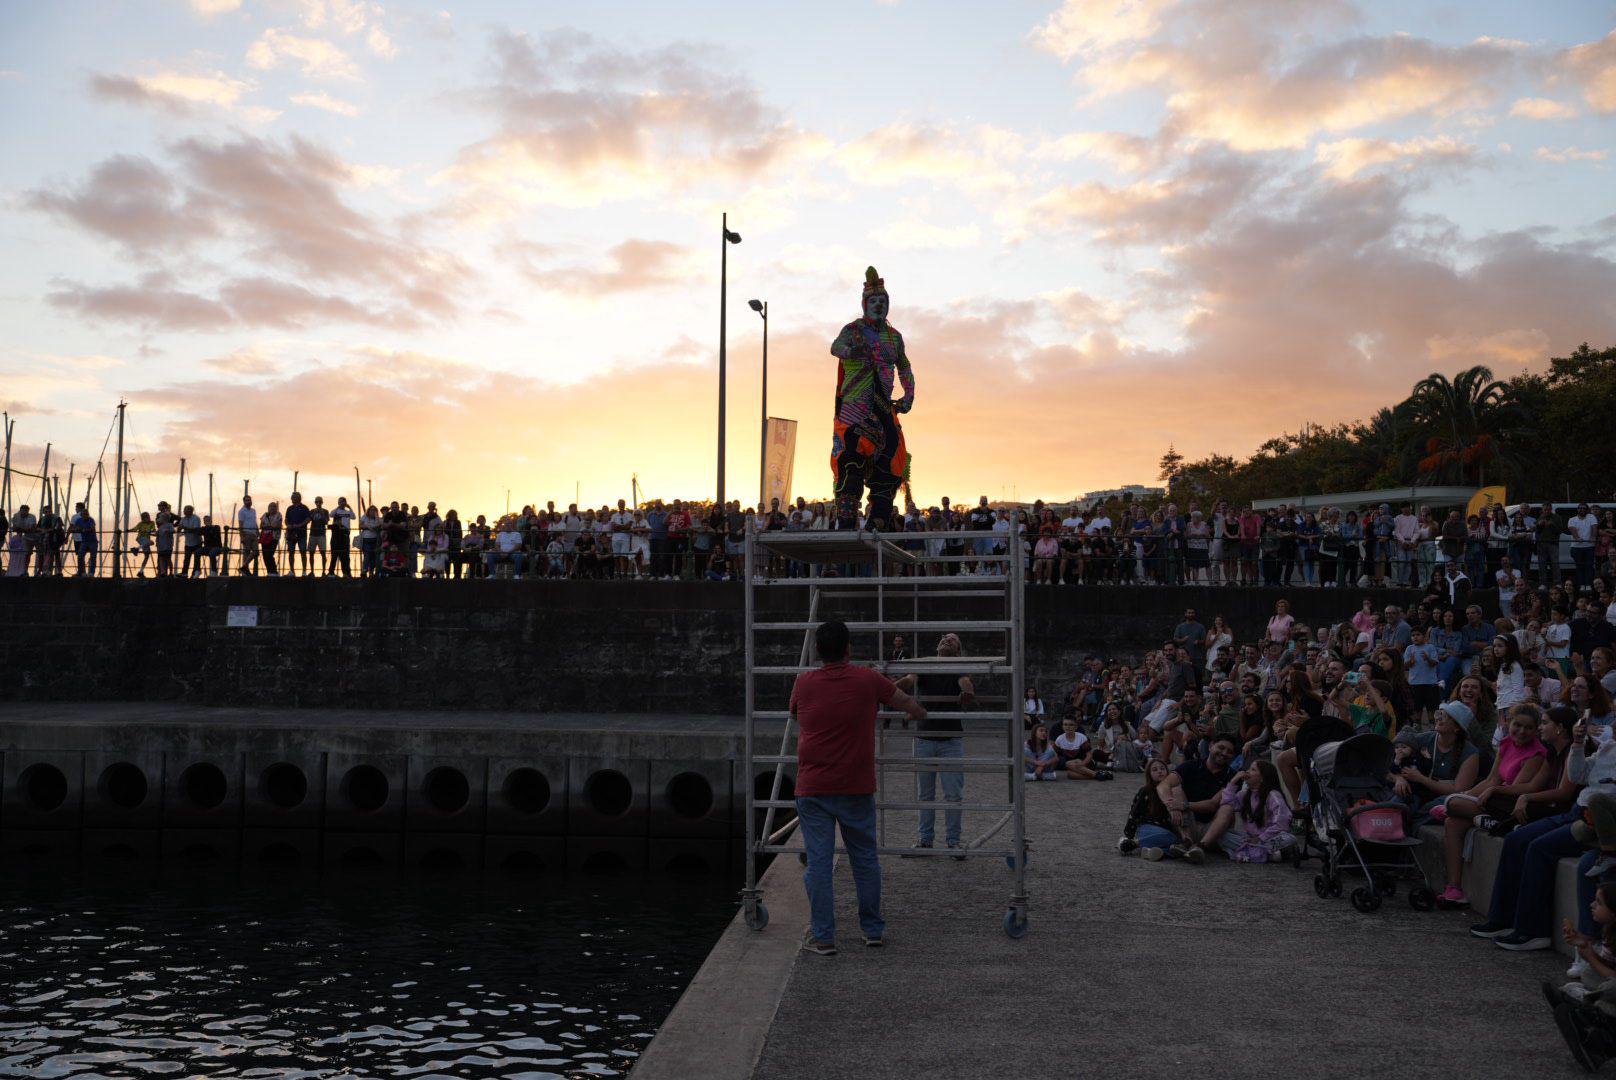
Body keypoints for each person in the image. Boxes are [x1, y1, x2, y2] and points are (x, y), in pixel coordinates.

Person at [791, 619, 925, 954]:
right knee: (864, 859)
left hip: (813, 786)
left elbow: (795, 714)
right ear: (849, 649)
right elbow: (905, 702)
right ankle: (872, 930)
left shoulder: (804, 682)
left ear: (818, 651)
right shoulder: (868, 679)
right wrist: (920, 713)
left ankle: (823, 937)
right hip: (855, 784)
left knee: (819, 863)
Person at [1472, 708, 1616, 955]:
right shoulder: (1604, 748)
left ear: (1559, 727)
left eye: (1544, 723)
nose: (1539, 728)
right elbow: (1578, 773)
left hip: (1591, 821)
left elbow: (1564, 792)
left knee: (1538, 847)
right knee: (1517, 839)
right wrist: (1579, 744)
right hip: (1575, 812)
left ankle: (1533, 931)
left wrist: (1525, 796)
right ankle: (1502, 919)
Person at [1434, 704, 1550, 908]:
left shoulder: (1537, 754)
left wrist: (1489, 792)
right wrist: (1466, 795)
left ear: (1536, 730)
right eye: (1518, 725)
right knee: (1452, 821)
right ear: (1509, 723)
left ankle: (1480, 817)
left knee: (1452, 805)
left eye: (1529, 728)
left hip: (1512, 805)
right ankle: (1454, 888)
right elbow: (1491, 780)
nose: (1522, 732)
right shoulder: (1506, 743)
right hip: (1495, 799)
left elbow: (1518, 789)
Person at [829, 266, 914, 528]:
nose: (879, 305)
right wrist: (855, 351)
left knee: (889, 466)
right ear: (865, 304)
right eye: (874, 301)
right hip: (855, 408)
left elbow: (905, 366)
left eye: (883, 301)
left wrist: (909, 394)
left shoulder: (894, 337)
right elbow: (835, 348)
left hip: (883, 408)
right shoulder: (853, 329)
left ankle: (878, 522)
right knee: (850, 466)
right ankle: (845, 524)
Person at [895, 633, 972, 857]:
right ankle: (925, 841)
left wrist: (967, 691)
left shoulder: (957, 666)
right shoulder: (926, 664)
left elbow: (964, 681)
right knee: (925, 794)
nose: (946, 639)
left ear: (958, 651)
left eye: (953, 639)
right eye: (944, 637)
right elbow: (909, 680)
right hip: (925, 738)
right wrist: (889, 688)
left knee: (953, 794)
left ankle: (953, 842)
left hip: (950, 739)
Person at [1157, 733, 1239, 863]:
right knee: (1175, 789)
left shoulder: (1233, 776)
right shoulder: (1191, 765)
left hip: (1212, 831)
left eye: (1229, 752)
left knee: (1227, 808)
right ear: (1211, 746)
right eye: (1221, 748)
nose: (1224, 753)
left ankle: (1201, 847)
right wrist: (1171, 805)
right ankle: (1186, 842)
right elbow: (1163, 785)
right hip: (1186, 823)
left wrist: (1184, 805)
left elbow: (1212, 804)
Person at [1208, 759, 1296, 862]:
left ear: (1262, 778)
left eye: (1253, 769)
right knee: (1221, 834)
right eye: (1249, 769)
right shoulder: (1245, 794)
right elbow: (1226, 804)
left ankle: (1251, 853)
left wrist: (1260, 838)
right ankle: (1266, 855)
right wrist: (1232, 782)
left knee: (1289, 838)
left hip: (1270, 838)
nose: (1247, 772)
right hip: (1251, 839)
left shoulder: (1273, 795)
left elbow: (1282, 823)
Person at [1118, 759, 1180, 861]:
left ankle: (1149, 852)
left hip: (1164, 829)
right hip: (1146, 827)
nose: (1159, 771)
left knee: (1176, 845)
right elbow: (1134, 812)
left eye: (1162, 768)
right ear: (1149, 774)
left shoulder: (1173, 790)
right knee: (1172, 838)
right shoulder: (1146, 790)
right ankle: (1134, 844)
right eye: (1155, 770)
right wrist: (1129, 833)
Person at [237, 496, 259, 576]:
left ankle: (243, 567)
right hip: (246, 533)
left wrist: (257, 530)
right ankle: (245, 570)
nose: (249, 501)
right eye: (247, 500)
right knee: (247, 552)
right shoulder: (241, 511)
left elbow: (254, 521)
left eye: (249, 500)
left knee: (256, 552)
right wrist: (241, 536)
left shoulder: (253, 511)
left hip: (253, 533)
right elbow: (240, 524)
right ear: (244, 502)